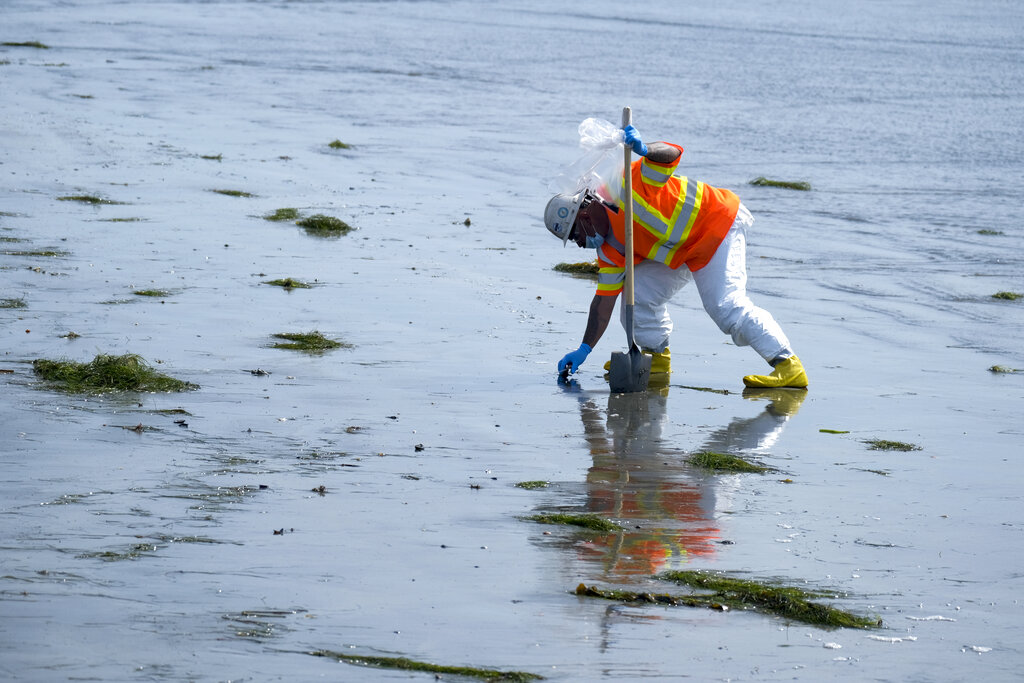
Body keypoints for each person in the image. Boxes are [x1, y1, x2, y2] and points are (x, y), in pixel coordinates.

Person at [543, 123, 808, 389]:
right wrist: (584, 349)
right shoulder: (609, 250)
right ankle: (657, 358)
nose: (578, 243)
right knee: (637, 297)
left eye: (575, 234)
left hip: (717, 225)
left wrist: (644, 149)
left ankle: (787, 364)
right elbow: (602, 306)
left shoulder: (627, 183)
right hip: (681, 249)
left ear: (584, 214)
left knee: (725, 307)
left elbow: (669, 153)